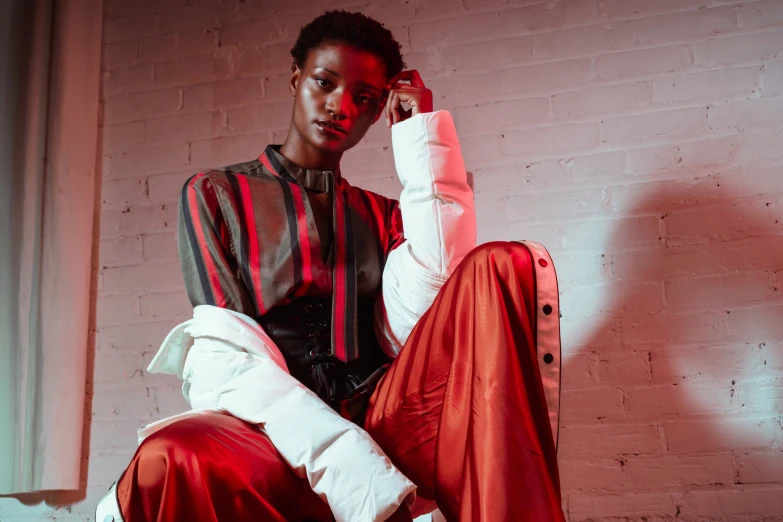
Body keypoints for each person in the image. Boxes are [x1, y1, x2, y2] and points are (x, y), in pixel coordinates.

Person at [97, 10, 564, 522]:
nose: (340, 107)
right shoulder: (216, 194)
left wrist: (421, 138)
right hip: (267, 427)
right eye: (324, 83)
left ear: (378, 110)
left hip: (385, 414)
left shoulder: (385, 214)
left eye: (364, 98)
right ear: (296, 78)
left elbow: (433, 310)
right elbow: (230, 350)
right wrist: (346, 460)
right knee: (172, 453)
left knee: (499, 264)